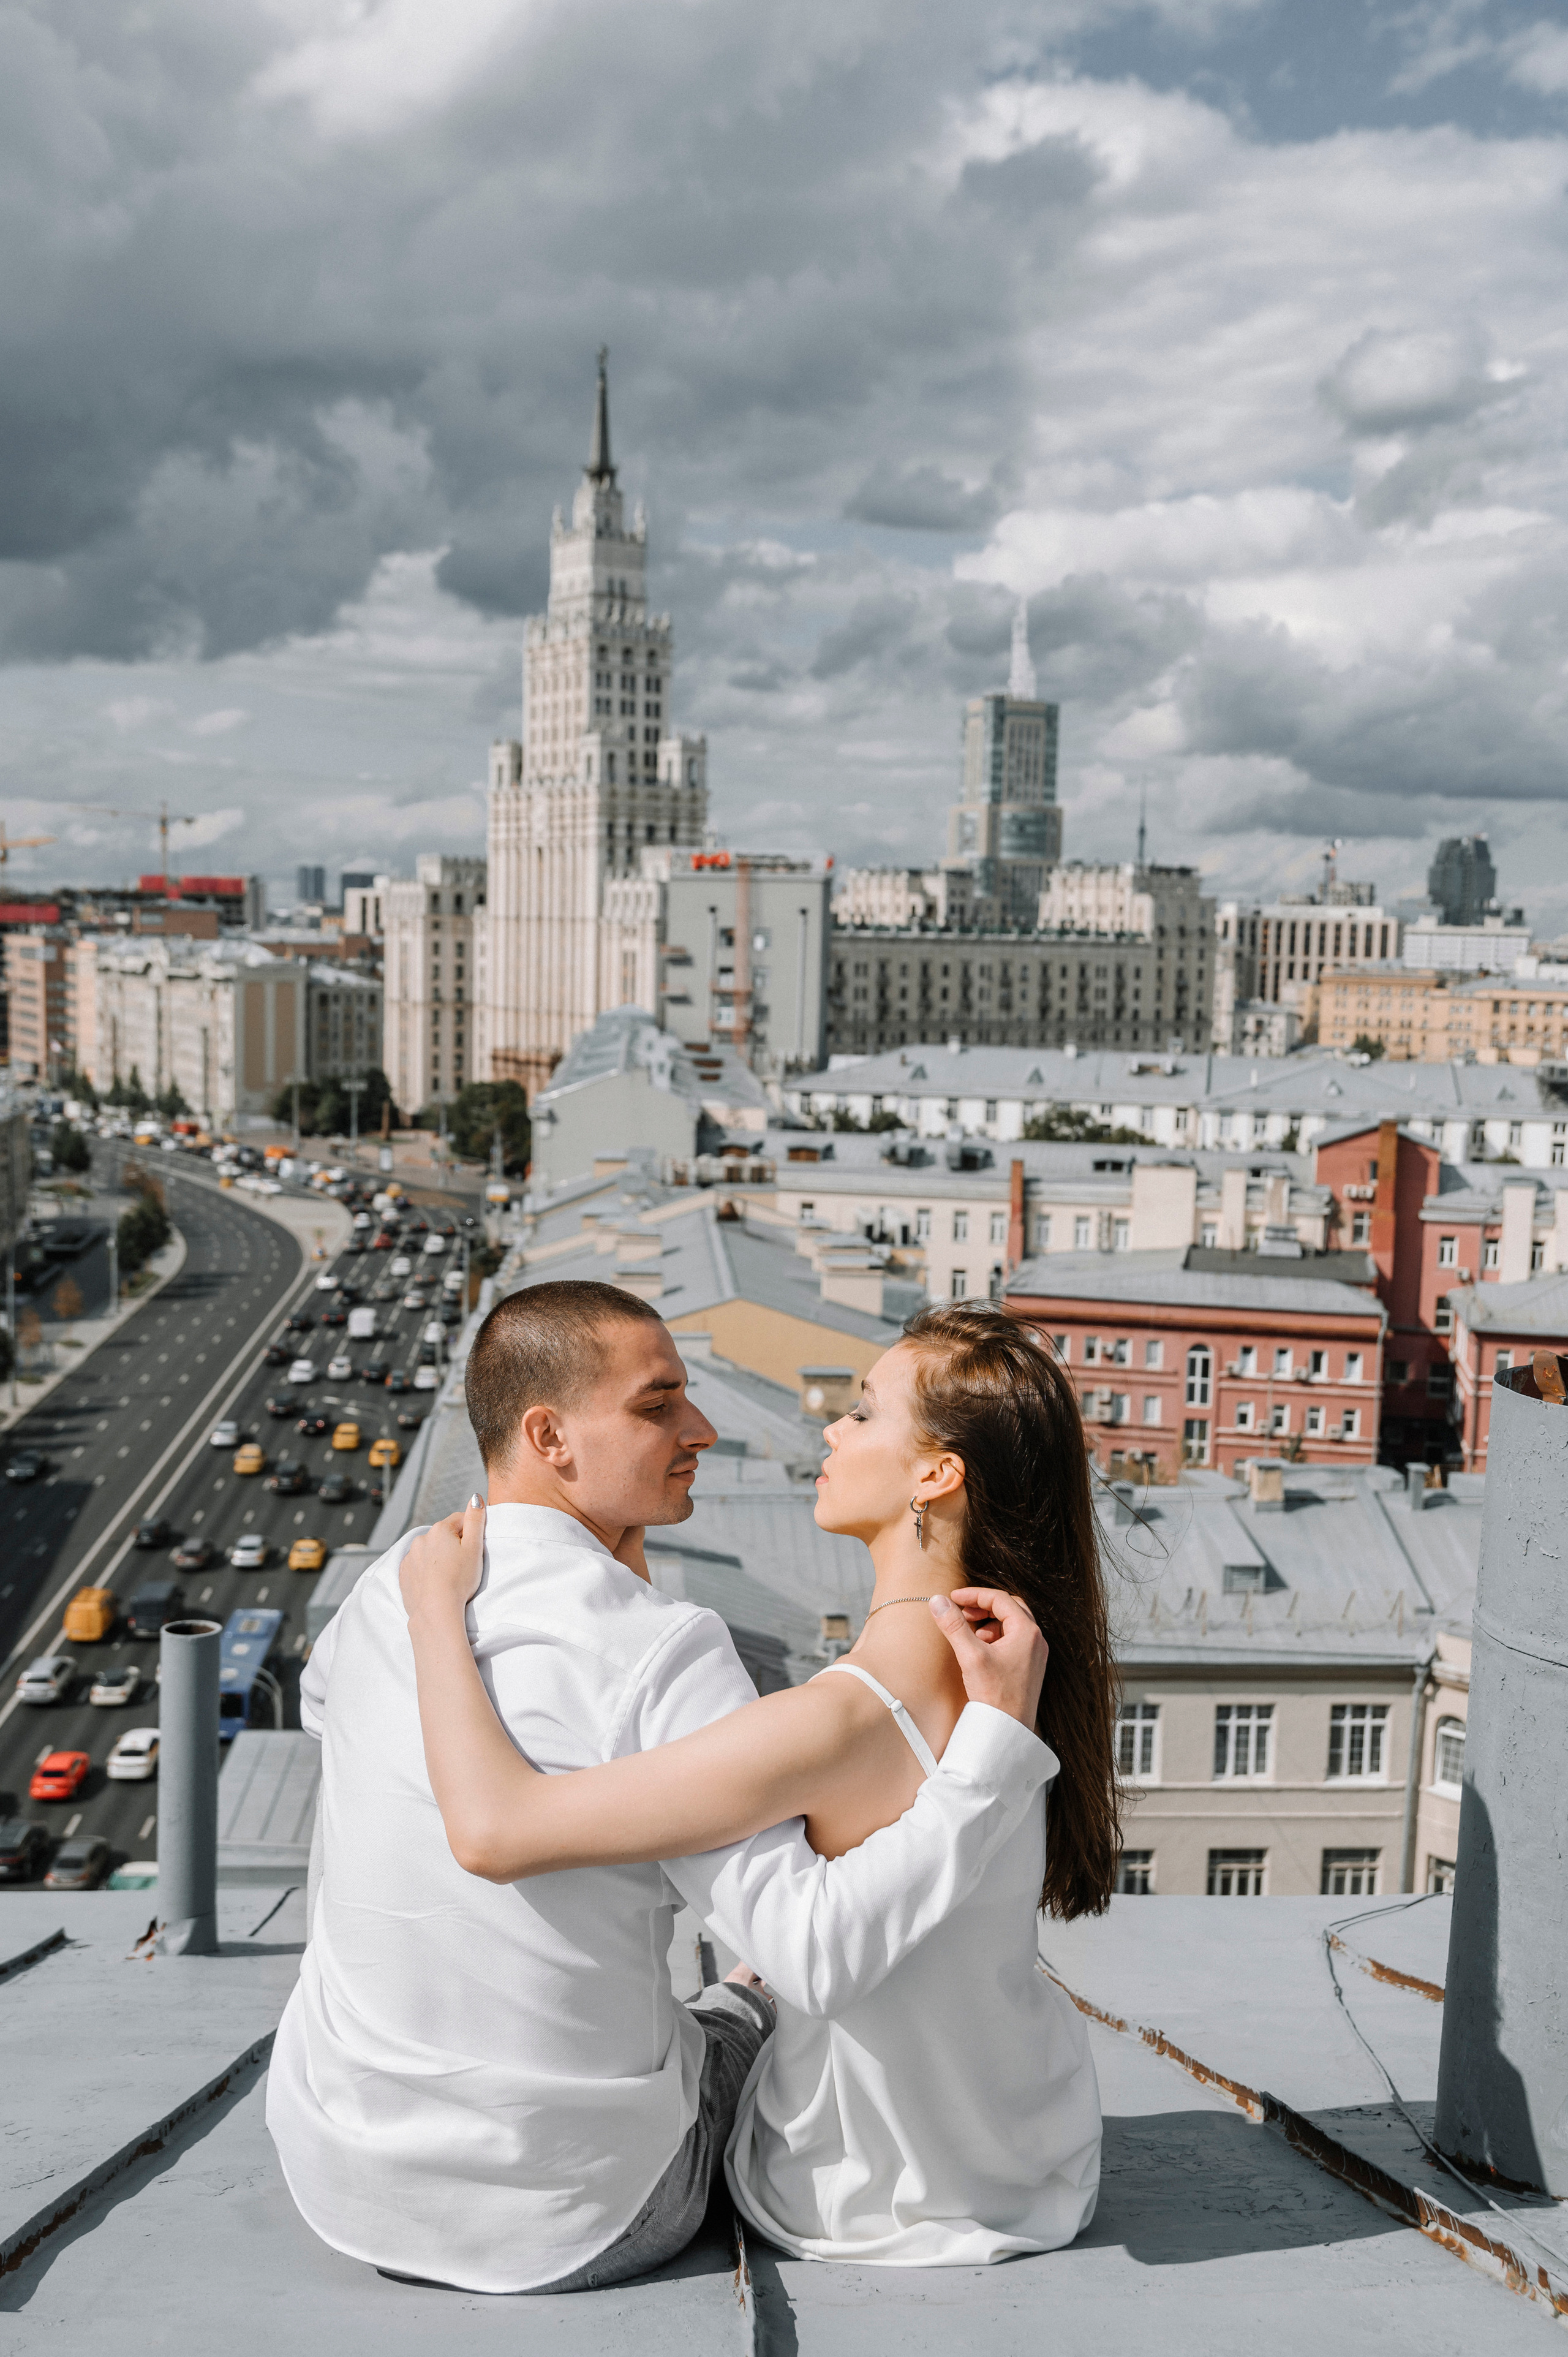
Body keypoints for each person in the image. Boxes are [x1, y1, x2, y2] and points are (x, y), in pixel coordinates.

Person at [267, 1281, 1055, 2295]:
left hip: (340, 2170)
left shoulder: (397, 1586)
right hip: (575, 2211)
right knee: (751, 2001)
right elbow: (803, 1945)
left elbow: (346, 1734)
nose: (704, 1426)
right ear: (550, 1436)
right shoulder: (664, 1652)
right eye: (656, 1405)